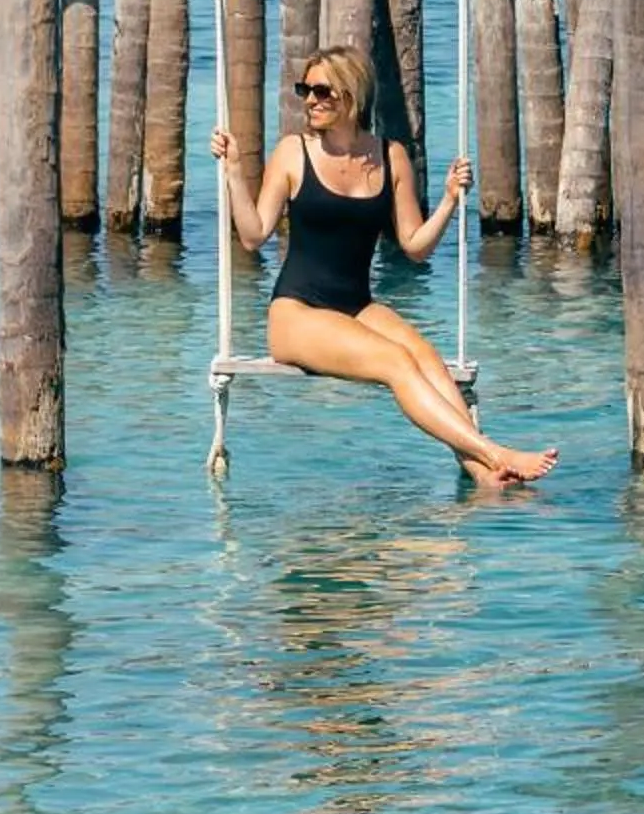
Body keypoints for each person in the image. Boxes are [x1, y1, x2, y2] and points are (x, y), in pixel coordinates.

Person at [209, 45, 557, 485]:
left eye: (321, 91)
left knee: (426, 357)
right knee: (394, 361)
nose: (310, 100)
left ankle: (482, 473)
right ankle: (493, 451)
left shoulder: (389, 155)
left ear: (350, 96)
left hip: (357, 304)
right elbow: (253, 233)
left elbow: (414, 247)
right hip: (297, 313)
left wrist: (450, 200)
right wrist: (235, 172)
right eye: (305, 90)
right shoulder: (293, 152)